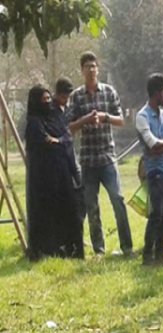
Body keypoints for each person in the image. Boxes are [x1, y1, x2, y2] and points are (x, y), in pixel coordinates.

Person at [68, 51, 133, 257]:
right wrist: (86, 120)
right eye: (87, 67)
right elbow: (69, 127)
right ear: (82, 71)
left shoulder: (109, 92)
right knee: (92, 206)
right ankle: (99, 250)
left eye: (94, 66)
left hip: (107, 157)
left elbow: (121, 120)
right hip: (88, 160)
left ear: (98, 69)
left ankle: (127, 247)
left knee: (118, 200)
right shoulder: (76, 96)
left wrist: (105, 117)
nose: (91, 70)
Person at [25, 85, 84, 261]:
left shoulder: (56, 117)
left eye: (48, 99)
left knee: (68, 211)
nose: (47, 103)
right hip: (43, 179)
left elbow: (66, 137)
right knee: (45, 214)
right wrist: (58, 143)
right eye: (43, 100)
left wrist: (59, 141)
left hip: (62, 176)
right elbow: (45, 144)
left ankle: (69, 249)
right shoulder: (34, 123)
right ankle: (46, 250)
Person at [136, 74, 163, 266]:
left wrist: (159, 148)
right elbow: (151, 143)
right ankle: (147, 254)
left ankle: (160, 252)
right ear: (156, 94)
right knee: (156, 214)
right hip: (154, 173)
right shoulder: (142, 117)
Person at [53, 77, 86, 226]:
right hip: (58, 160)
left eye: (67, 97)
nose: (65, 100)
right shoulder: (51, 112)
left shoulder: (67, 109)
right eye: (63, 97)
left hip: (71, 155)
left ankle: (78, 225)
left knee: (81, 190)